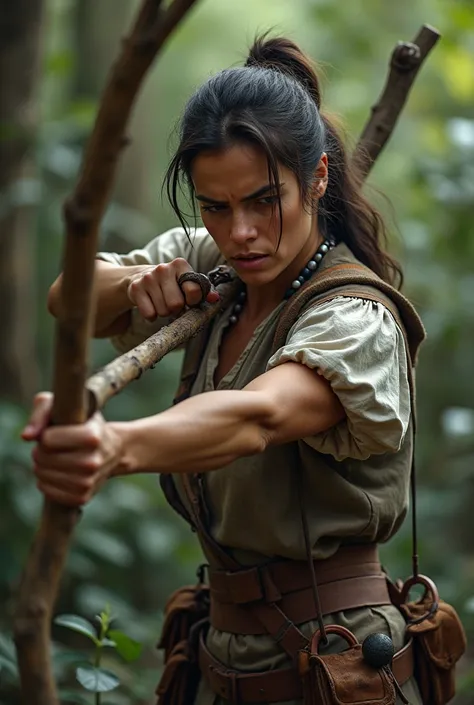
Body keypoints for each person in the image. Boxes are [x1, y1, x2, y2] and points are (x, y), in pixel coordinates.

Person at [24, 35, 426, 705]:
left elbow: (257, 415)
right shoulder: (213, 255)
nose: (239, 232)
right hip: (222, 656)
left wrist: (114, 444)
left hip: (339, 660)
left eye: (265, 200)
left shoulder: (357, 317)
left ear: (318, 178)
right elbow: (67, 300)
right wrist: (134, 287)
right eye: (216, 205)